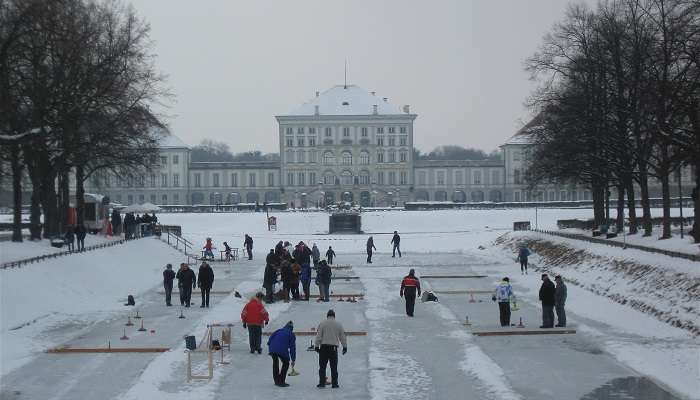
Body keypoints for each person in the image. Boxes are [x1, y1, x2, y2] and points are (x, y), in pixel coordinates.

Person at [314, 309, 347, 389]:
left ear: (327, 315)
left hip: (324, 348)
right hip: (333, 349)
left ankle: (322, 383)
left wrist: (316, 346)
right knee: (334, 367)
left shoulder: (322, 323)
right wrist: (344, 346)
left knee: (322, 367)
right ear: (334, 316)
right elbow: (342, 336)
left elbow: (318, 336)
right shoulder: (338, 324)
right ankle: (335, 384)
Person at [267, 321, 296, 387]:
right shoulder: (291, 334)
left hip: (272, 348)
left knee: (275, 362)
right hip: (281, 349)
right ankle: (281, 381)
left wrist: (271, 345)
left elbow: (270, 339)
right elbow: (292, 348)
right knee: (286, 363)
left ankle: (276, 380)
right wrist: (293, 360)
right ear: (292, 328)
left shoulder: (279, 330)